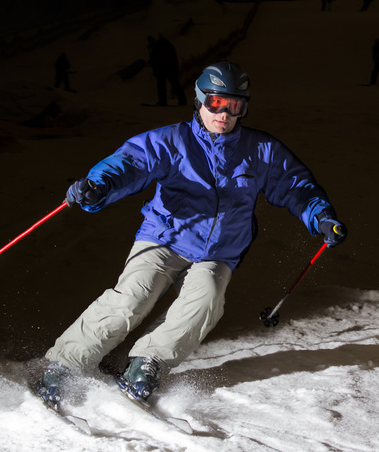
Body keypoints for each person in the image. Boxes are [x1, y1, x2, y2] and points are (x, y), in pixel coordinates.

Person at [35, 61, 347, 409]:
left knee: (206, 298)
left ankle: (149, 361)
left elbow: (295, 185)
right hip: (164, 238)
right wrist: (99, 185)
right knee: (133, 297)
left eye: (235, 106)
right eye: (216, 103)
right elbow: (131, 163)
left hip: (220, 250)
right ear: (199, 101)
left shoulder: (261, 151)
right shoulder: (172, 140)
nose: (224, 114)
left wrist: (321, 217)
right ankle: (64, 363)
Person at [147, 34, 187, 106]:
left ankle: (165, 101)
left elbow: (157, 59)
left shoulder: (159, 47)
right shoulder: (163, 45)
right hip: (167, 68)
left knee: (165, 84)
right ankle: (181, 100)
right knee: (170, 84)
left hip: (166, 68)